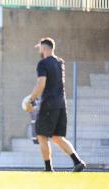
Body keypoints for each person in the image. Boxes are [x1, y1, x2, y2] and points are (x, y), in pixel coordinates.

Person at [25, 37, 86, 172]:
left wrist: (31, 99)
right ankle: (77, 161)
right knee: (58, 137)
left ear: (44, 48)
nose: (39, 50)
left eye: (40, 48)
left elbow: (41, 84)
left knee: (42, 135)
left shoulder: (43, 63)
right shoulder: (60, 62)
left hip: (49, 104)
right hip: (61, 104)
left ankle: (48, 168)